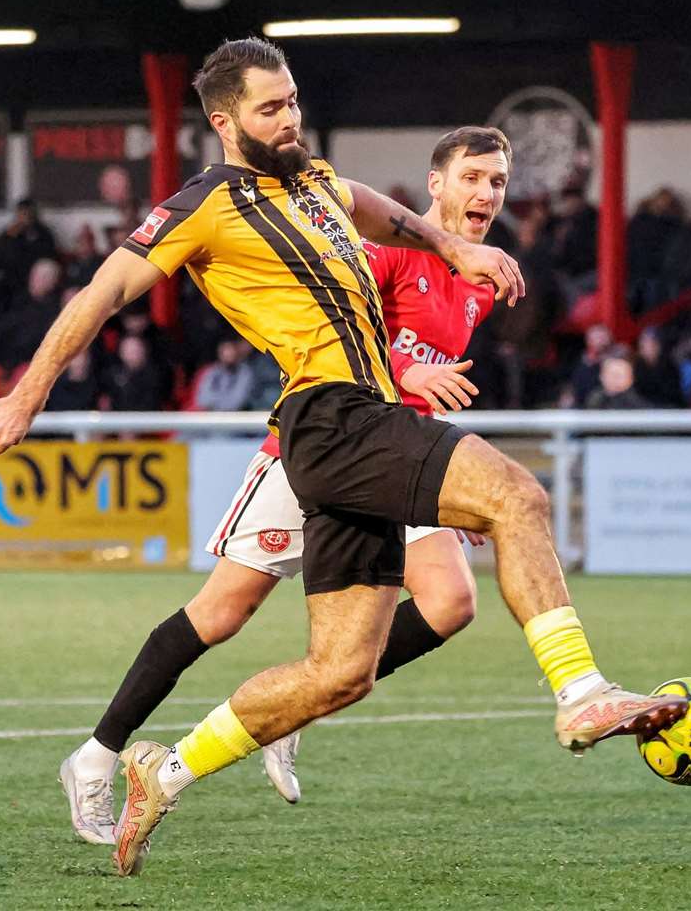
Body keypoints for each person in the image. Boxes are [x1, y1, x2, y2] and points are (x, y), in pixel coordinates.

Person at [0, 40, 687, 876]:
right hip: (331, 418)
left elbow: (378, 209)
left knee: (340, 671)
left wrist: (454, 248)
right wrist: (28, 392)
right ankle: (582, 695)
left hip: (361, 429)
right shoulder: (202, 205)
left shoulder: (313, 182)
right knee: (516, 498)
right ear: (223, 121)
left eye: (294, 101)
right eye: (271, 108)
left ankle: (163, 772)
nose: (291, 118)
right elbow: (99, 293)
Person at [64, 126, 511, 842]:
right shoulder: (393, 247)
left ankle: (297, 704)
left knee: (452, 600)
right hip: (315, 449)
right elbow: (327, 331)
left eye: (496, 179)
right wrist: (408, 374)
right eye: (472, 177)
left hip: (395, 457)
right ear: (436, 186)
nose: (485, 192)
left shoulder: (479, 279)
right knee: (220, 615)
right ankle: (94, 756)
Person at [0, 197, 59, 288]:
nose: (23, 217)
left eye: (27, 213)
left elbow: (49, 256)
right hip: (12, 276)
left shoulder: (43, 233)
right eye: (21, 213)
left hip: (36, 276)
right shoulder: (12, 232)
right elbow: (0, 250)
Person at [586, 346, 651, 409]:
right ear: (601, 376)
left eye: (619, 375)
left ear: (631, 379)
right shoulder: (594, 400)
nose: (613, 379)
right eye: (610, 373)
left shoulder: (641, 409)